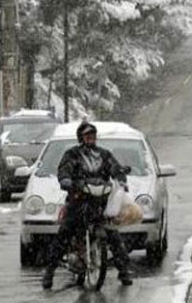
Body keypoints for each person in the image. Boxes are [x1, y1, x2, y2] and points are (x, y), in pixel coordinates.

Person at [42, 121, 133, 290]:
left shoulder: (104, 154)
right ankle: (49, 271)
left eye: (93, 135)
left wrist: (121, 177)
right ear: (81, 138)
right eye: (87, 135)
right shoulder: (72, 154)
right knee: (65, 233)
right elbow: (64, 170)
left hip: (99, 204)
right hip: (78, 201)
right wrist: (66, 180)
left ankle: (124, 270)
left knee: (112, 234)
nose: (90, 138)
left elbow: (115, 168)